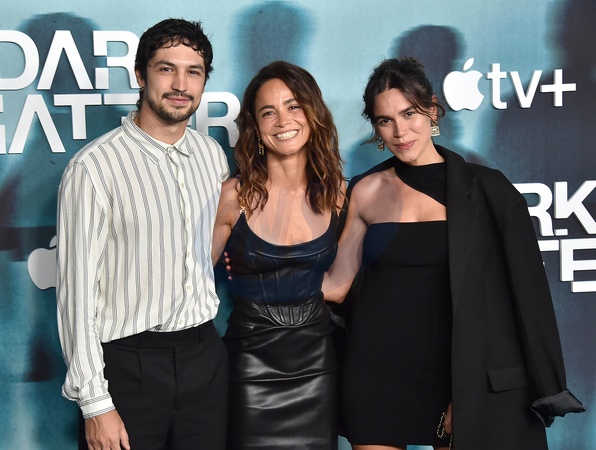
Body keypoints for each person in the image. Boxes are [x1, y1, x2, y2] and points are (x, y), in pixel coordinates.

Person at [323, 57, 584, 450]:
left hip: (456, 377)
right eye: (385, 120)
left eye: (409, 113)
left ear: (432, 109)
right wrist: (266, 273)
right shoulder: (365, 190)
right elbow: (337, 284)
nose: (400, 131)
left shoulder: (488, 191)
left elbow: (527, 295)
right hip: (376, 371)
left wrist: (531, 383)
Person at [56, 18, 230, 450]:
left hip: (205, 357)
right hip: (128, 367)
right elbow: (76, 295)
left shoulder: (212, 156)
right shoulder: (93, 167)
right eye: (166, 68)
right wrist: (95, 403)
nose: (180, 84)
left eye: (193, 72)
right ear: (140, 74)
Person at [211, 60, 345, 450]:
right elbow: (190, 283)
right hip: (250, 366)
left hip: (319, 365)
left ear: (313, 114)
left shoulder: (338, 194)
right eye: (268, 112)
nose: (283, 120)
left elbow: (347, 282)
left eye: (293, 106)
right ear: (255, 127)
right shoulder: (233, 197)